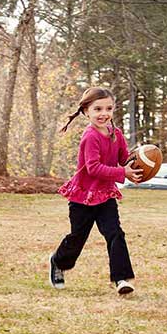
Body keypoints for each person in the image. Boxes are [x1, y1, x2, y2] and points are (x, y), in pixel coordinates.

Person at [48, 87, 142, 295]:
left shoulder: (116, 134)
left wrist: (139, 161)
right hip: (83, 196)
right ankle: (58, 262)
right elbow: (94, 168)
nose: (104, 113)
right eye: (97, 109)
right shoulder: (90, 137)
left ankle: (121, 279)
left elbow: (123, 159)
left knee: (115, 234)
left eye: (108, 108)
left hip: (105, 196)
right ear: (86, 112)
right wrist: (122, 173)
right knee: (77, 237)